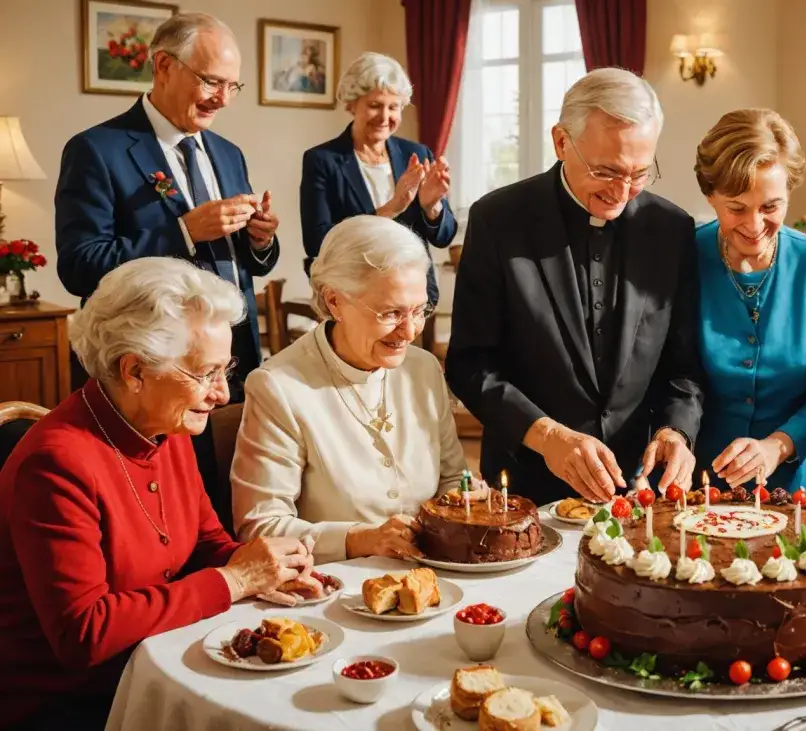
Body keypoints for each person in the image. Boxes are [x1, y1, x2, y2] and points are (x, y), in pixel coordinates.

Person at [0, 259, 309, 730]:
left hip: (158, 664)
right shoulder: (56, 463)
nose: (222, 394)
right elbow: (85, 632)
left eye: (226, 368)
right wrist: (236, 580)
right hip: (77, 704)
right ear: (134, 370)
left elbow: (207, 545)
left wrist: (266, 569)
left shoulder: (164, 426)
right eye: (205, 373)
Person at [447, 68, 704, 507]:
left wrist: (674, 431)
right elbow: (471, 364)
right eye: (605, 171)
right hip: (526, 480)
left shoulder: (672, 228)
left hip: (637, 484)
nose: (622, 193)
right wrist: (547, 436)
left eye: (640, 173)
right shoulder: (497, 220)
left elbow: (685, 366)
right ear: (561, 141)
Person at [55, 11, 280, 388]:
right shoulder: (95, 149)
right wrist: (184, 231)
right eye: (211, 81)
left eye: (232, 85)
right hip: (152, 366)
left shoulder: (229, 153)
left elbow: (245, 263)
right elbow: (80, 267)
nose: (223, 99)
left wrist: (260, 239)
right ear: (163, 65)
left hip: (235, 358)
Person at [232, 216, 467, 564]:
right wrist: (359, 539)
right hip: (335, 588)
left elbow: (451, 479)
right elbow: (260, 526)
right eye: (391, 313)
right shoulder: (279, 387)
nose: (409, 331)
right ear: (334, 301)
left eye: (419, 311)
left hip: (431, 575)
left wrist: (466, 499)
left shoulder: (423, 369)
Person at [692, 109, 806, 496]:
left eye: (770, 207)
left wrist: (777, 445)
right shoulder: (684, 256)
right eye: (737, 208)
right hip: (702, 482)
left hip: (799, 484)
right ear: (710, 196)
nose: (755, 224)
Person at [300, 51, 455, 305]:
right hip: (352, 298)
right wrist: (391, 208)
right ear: (351, 104)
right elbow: (317, 243)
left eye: (393, 107)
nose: (385, 117)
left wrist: (431, 206)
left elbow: (444, 236)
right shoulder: (322, 160)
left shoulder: (416, 154)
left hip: (413, 297)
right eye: (374, 105)